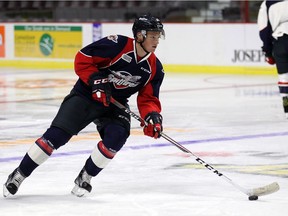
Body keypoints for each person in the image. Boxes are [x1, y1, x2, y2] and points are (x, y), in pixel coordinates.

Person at [3, 14, 165, 197]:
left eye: (158, 36)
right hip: (86, 96)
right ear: (139, 35)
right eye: (153, 36)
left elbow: (148, 98)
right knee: (55, 137)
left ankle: (85, 176)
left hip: (114, 105)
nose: (156, 40)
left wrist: (152, 115)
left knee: (117, 137)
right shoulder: (117, 45)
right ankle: (19, 174)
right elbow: (83, 58)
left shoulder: (155, 68)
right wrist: (95, 79)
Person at [257, 0, 288, 118]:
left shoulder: (267, 3)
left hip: (280, 41)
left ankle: (287, 107)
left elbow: (264, 30)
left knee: (284, 75)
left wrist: (268, 52)